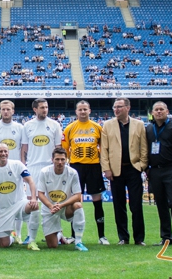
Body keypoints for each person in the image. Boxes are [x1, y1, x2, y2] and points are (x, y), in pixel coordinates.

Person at [100, 97, 148, 246]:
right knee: (119, 206)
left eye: (119, 107)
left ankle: (139, 238)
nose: (116, 110)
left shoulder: (139, 125)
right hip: (115, 171)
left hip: (133, 169)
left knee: (136, 205)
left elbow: (144, 148)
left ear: (128, 107)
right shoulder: (107, 125)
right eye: (115, 107)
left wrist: (141, 166)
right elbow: (104, 149)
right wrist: (106, 169)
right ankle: (123, 237)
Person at [61, 100, 109, 245]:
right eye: (80, 109)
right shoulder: (69, 128)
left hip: (94, 166)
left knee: (97, 201)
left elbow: (104, 148)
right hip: (76, 167)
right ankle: (74, 235)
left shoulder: (97, 127)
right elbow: (65, 150)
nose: (82, 112)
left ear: (90, 111)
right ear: (76, 112)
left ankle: (102, 236)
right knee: (75, 201)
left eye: (85, 109)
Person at [0, 143, 40, 250]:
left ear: (8, 153)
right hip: (2, 210)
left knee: (34, 206)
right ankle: (12, 238)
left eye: (5, 151)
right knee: (3, 244)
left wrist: (33, 198)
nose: (3, 153)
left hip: (19, 204)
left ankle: (32, 241)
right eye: (0, 151)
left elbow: (31, 181)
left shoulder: (17, 164)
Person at [146, 101, 172, 246]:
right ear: (152, 113)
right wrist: (147, 169)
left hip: (171, 170)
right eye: (156, 110)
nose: (159, 112)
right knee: (161, 205)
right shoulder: (149, 129)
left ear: (167, 111)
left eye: (161, 109)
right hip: (155, 170)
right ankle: (166, 237)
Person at [21, 98, 62, 244]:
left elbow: (58, 148)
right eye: (41, 107)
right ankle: (30, 235)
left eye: (46, 107)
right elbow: (24, 148)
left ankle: (55, 233)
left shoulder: (55, 125)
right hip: (32, 167)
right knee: (32, 202)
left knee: (52, 200)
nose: (45, 110)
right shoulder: (28, 126)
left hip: (49, 167)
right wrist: (24, 167)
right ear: (35, 109)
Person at [37, 147, 88, 251]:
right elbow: (40, 194)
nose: (60, 162)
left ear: (66, 160)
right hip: (49, 209)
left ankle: (78, 241)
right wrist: (51, 206)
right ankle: (59, 235)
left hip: (65, 207)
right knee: (52, 245)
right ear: (52, 160)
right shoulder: (44, 172)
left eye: (62, 159)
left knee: (78, 205)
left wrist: (61, 205)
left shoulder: (72, 173)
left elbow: (78, 195)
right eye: (57, 159)